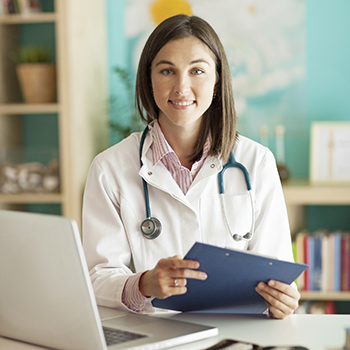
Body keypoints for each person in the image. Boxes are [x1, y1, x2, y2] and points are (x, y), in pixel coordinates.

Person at [82, 14, 300, 319]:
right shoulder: (109, 168)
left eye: (197, 70)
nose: (181, 87)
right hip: (151, 336)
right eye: (167, 71)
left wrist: (283, 302)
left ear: (217, 79)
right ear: (148, 79)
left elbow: (276, 272)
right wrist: (144, 284)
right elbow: (97, 277)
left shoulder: (257, 162)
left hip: (232, 334)